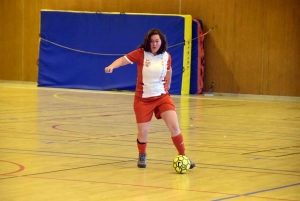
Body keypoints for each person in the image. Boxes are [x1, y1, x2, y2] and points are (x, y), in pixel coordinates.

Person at [104, 28, 195, 169]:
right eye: (152, 41)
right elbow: (123, 60)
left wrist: (169, 83)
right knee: (143, 131)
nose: (154, 44)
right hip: (143, 99)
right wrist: (112, 66)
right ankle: (142, 155)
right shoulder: (141, 54)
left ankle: (183, 155)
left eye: (157, 41)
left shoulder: (166, 56)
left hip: (162, 97)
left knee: (174, 126)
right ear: (148, 42)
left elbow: (169, 70)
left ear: (161, 42)